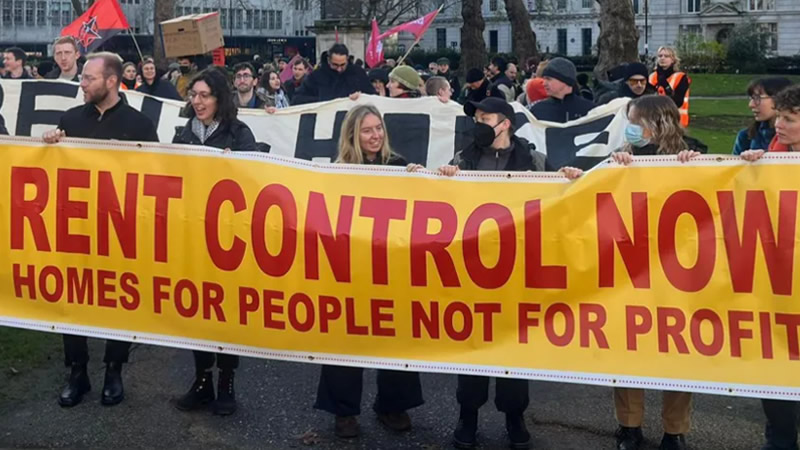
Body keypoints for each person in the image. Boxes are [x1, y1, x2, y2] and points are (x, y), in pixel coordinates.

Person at [41, 52, 159, 408]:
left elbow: (157, 174)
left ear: (111, 81)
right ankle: (77, 371)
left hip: (120, 229)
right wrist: (48, 148)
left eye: (89, 78)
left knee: (119, 300)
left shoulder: (139, 125)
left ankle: (113, 370)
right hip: (77, 227)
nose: (82, 83)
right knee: (72, 298)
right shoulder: (71, 119)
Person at [433, 98, 549, 450]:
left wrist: (569, 179)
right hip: (473, 273)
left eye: (486, 118)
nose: (479, 123)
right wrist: (442, 178)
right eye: (477, 118)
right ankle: (468, 414)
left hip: (517, 274)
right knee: (474, 348)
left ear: (506, 124)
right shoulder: (463, 159)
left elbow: (561, 205)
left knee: (514, 349)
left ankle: (515, 415)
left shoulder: (534, 162)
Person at [314, 104, 423, 439]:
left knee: (394, 335)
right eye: (367, 130)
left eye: (378, 129)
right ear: (352, 135)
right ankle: (344, 411)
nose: (375, 136)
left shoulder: (400, 166)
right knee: (346, 337)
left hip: (391, 267)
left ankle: (392, 404)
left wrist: (425, 180)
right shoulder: (338, 172)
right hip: (351, 267)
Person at [604, 95, 694, 450]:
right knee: (629, 348)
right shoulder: (622, 157)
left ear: (656, 123)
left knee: (679, 351)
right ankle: (629, 426)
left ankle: (675, 430)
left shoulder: (694, 156)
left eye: (634, 120)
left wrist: (695, 167)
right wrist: (614, 167)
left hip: (679, 272)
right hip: (632, 269)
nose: (630, 127)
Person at [293, 44, 375, 105]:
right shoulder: (316, 76)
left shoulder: (358, 73)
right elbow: (297, 99)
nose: (339, 69)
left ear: (347, 59)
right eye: (335, 65)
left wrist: (361, 97)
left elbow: (372, 97)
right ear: (328, 60)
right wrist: (324, 101)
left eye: (343, 65)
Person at [732, 77, 793, 155]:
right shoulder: (746, 137)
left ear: (780, 99)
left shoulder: (794, 137)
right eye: (751, 98)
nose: (751, 105)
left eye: (757, 98)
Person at [530, 57, 594, 123]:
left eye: (548, 79)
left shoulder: (590, 111)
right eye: (544, 79)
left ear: (565, 80)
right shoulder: (538, 111)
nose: (544, 83)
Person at [649, 46, 691, 127]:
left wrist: (665, 85)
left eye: (666, 56)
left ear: (673, 59)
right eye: (660, 56)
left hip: (676, 122)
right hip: (654, 121)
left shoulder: (681, 77)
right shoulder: (652, 77)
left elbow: (677, 102)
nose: (662, 58)